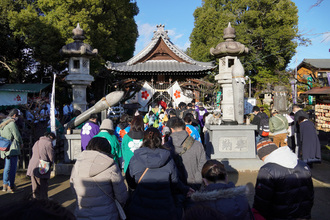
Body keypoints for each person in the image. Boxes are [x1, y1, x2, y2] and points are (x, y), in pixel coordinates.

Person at [126, 127, 190, 220]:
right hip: (164, 207)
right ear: (160, 140)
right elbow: (174, 182)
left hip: (140, 206)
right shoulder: (168, 159)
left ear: (144, 140)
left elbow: (130, 182)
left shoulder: (135, 159)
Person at [253, 139, 314, 219]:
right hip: (303, 215)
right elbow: (310, 194)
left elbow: (261, 202)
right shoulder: (303, 165)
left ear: (263, 155)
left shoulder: (267, 170)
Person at [70, 137, 128, 219]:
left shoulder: (77, 165)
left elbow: (73, 189)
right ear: (107, 149)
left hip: (82, 214)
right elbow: (121, 196)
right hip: (107, 215)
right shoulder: (111, 165)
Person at [164, 117, 207, 190]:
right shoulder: (197, 145)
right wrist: (196, 184)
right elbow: (202, 165)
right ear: (184, 127)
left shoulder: (165, 148)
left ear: (171, 129)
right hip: (195, 188)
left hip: (174, 189)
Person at [26, 132, 55, 200]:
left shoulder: (37, 142)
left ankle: (35, 198)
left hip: (33, 164)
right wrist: (51, 163)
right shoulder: (48, 143)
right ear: (51, 137)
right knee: (43, 184)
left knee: (34, 184)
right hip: (42, 165)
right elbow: (51, 156)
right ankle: (44, 199)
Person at [0, 109, 23, 193]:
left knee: (7, 166)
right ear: (14, 115)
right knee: (13, 167)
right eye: (17, 116)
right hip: (12, 147)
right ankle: (11, 185)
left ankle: (4, 185)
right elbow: (17, 135)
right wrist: (21, 143)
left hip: (4, 147)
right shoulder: (12, 123)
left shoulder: (2, 122)